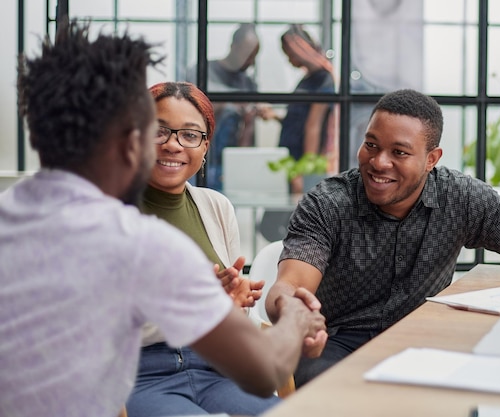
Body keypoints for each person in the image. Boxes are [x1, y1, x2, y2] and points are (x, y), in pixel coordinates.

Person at [0, 19, 325, 417]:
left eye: (189, 134)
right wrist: (293, 313)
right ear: (131, 138)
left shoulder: (11, 212)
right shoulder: (141, 243)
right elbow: (265, 370)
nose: (170, 143)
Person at [264, 88, 500, 387]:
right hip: (337, 341)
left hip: (425, 339)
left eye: (399, 152)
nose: (379, 162)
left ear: (431, 159)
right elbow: (290, 285)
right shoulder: (327, 203)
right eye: (371, 145)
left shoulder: (461, 197)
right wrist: (292, 312)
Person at [125, 81, 279, 417]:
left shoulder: (216, 207)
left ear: (205, 146)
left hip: (217, 370)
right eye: (159, 131)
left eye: (190, 135)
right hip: (138, 376)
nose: (173, 145)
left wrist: (231, 305)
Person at [258, 24, 336, 193]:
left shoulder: (323, 80)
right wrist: (275, 116)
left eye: (289, 54)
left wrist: (304, 170)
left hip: (302, 160)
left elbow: (313, 126)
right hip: (291, 157)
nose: (289, 59)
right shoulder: (308, 79)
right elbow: (299, 118)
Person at [188, 23, 260, 191]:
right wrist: (231, 103)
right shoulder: (202, 71)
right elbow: (190, 110)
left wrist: (250, 119)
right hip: (198, 160)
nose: (251, 61)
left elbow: (247, 134)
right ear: (234, 46)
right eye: (248, 54)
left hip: (229, 166)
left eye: (254, 55)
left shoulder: (248, 83)